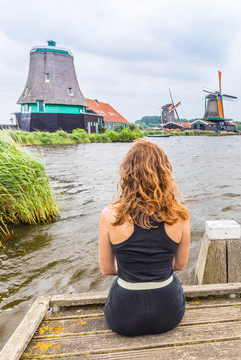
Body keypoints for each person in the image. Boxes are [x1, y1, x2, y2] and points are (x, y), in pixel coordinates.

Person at [98, 139, 190, 336]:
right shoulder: (180, 215)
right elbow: (180, 265)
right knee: (173, 282)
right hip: (169, 314)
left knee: (118, 286)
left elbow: (106, 269)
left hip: (123, 317)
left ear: (127, 173)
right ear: (164, 173)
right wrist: (157, 268)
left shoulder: (109, 215)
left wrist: (131, 271)